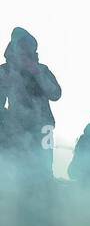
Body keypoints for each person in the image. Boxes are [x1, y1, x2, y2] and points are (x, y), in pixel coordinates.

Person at [0, 27, 62, 178]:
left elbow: (55, 94)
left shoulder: (41, 69)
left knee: (43, 166)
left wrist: (37, 73)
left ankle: (44, 193)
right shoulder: (5, 71)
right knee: (12, 166)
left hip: (43, 126)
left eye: (29, 49)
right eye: (21, 48)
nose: (25, 53)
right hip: (14, 127)